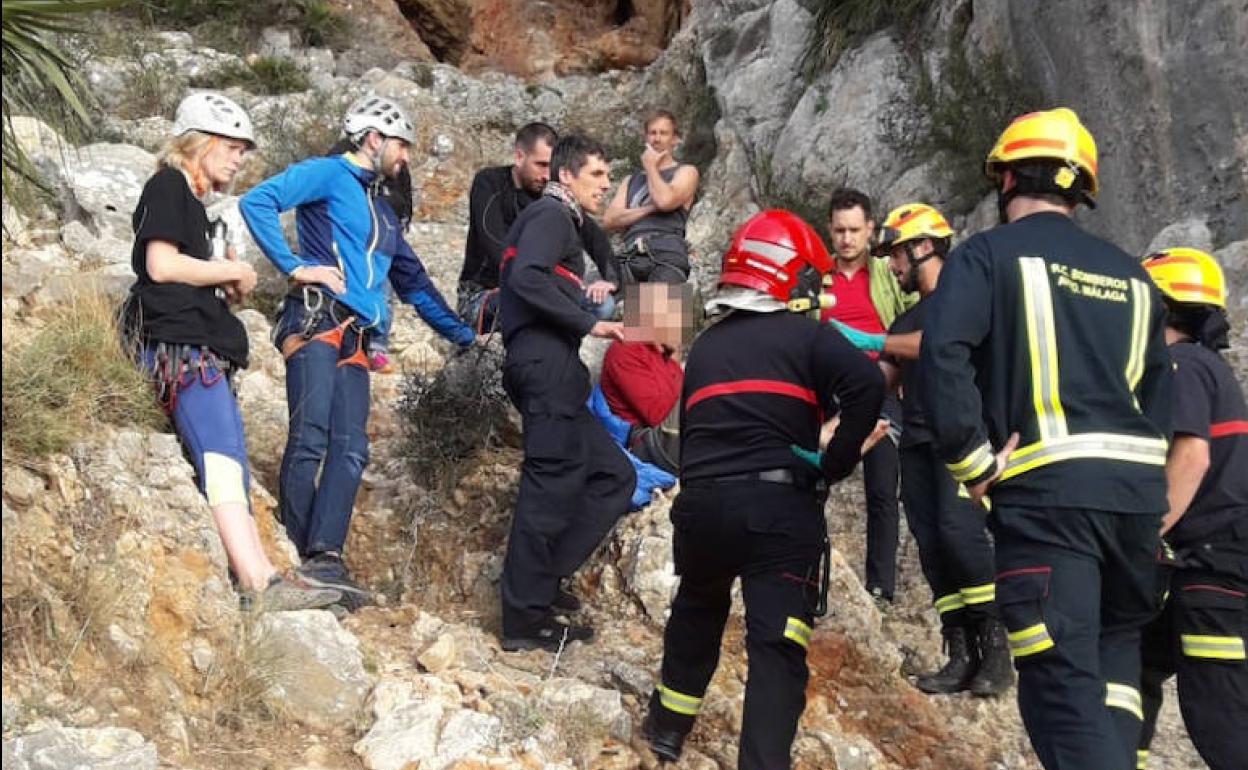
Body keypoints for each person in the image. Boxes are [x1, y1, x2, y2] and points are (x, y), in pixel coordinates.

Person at [921, 108, 1173, 770]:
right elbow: (1159, 400)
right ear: (1080, 188)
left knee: (1059, 687)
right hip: (1136, 506)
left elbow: (943, 357)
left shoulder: (986, 256)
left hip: (1049, 503)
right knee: (1115, 674)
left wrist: (974, 465)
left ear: (1006, 180)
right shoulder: (1136, 278)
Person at [642, 210, 885, 769]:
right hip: (777, 509)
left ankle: (667, 730)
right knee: (776, 647)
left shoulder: (706, 347)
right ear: (793, 278)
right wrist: (835, 463)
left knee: (697, 611)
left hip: (702, 508)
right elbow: (868, 385)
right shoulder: (809, 336)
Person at [240, 95, 478, 608]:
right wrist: (294, 265)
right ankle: (298, 557)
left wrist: (466, 337)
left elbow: (416, 287)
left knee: (351, 449)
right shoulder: (328, 174)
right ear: (373, 138)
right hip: (316, 318)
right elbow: (257, 201)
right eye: (401, 145)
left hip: (356, 336)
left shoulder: (384, 214)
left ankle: (326, 559)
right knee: (310, 438)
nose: (406, 157)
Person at [123, 92, 341, 612]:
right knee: (221, 456)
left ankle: (261, 574)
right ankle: (258, 581)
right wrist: (233, 270)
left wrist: (223, 281)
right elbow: (159, 265)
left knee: (229, 459)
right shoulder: (167, 185)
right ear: (198, 142)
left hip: (192, 346)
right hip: (180, 350)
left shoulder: (190, 204)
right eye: (231, 147)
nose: (239, 159)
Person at [850, 202, 1011, 696]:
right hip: (916, 442)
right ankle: (960, 651)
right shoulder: (904, 321)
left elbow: (936, 343)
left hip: (959, 442)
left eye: (896, 255)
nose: (891, 266)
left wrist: (875, 338)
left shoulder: (964, 301)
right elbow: (883, 378)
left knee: (960, 535)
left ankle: (996, 650)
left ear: (923, 247)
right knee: (932, 544)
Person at [497, 133, 636, 652]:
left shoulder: (568, 221)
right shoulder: (550, 216)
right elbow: (525, 277)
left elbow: (603, 249)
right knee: (548, 490)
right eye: (596, 174)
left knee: (613, 475)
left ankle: (542, 581)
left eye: (608, 175)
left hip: (554, 371)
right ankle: (523, 620)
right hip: (544, 364)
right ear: (566, 175)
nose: (605, 184)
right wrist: (589, 323)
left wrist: (611, 281)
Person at [1137, 247, 1246, 770]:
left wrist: (1144, 534)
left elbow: (1191, 456)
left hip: (1212, 566)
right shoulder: (1210, 369)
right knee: (1135, 659)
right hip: (1206, 564)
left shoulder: (1180, 366)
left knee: (1219, 715)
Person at [817, 188, 913, 609]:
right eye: (839, 230)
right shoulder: (817, 275)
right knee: (810, 477)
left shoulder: (888, 273)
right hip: (827, 387)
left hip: (879, 385)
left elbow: (914, 316)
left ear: (871, 229)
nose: (847, 239)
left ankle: (880, 589)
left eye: (855, 230)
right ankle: (805, 570)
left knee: (882, 488)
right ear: (829, 229)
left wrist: (905, 370)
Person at [457, 122, 618, 334]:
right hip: (486, 295)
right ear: (519, 157)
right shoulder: (490, 182)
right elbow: (494, 243)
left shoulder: (554, 199)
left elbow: (597, 240)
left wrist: (610, 282)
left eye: (551, 167)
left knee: (604, 304)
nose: (546, 175)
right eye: (541, 165)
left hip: (542, 290)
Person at [324, 135, 415, 374]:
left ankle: (377, 346)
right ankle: (343, 337)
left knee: (383, 288)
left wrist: (399, 220)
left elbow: (405, 197)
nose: (405, 156)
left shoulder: (394, 164)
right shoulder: (340, 154)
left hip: (383, 234)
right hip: (350, 235)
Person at [600, 282, 690, 474]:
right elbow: (659, 414)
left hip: (665, 434)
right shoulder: (625, 350)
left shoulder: (662, 353)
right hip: (642, 442)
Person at [602, 109, 700, 284]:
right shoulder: (630, 180)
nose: (657, 139)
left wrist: (651, 167)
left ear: (674, 139)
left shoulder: (686, 171)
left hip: (667, 253)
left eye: (664, 133)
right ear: (646, 138)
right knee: (599, 295)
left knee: (659, 302)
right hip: (630, 254)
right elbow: (610, 220)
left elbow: (664, 201)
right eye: (652, 133)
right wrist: (650, 208)